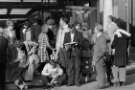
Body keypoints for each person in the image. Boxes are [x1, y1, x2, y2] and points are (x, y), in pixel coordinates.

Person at [92, 24, 110, 89]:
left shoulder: (102, 37)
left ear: (98, 30)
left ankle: (102, 85)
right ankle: (100, 84)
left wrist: (97, 57)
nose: (94, 30)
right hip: (97, 57)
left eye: (95, 29)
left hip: (100, 58)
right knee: (99, 71)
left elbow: (103, 50)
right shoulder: (98, 37)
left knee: (101, 71)